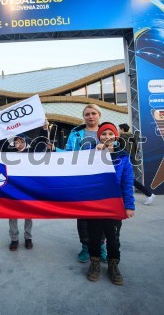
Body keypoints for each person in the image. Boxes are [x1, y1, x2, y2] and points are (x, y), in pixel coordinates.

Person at [48, 104, 107, 264]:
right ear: (84, 116)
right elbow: (69, 153)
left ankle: (101, 246)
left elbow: (117, 149)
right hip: (82, 179)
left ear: (99, 115)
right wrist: (55, 149)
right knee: (82, 215)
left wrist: (107, 146)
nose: (90, 116)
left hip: (102, 180)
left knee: (102, 214)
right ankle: (86, 247)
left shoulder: (107, 131)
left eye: (93, 113)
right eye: (87, 114)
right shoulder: (75, 133)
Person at [87, 122, 135, 285]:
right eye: (103, 134)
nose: (107, 137)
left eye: (110, 134)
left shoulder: (124, 156)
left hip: (114, 205)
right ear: (98, 136)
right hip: (94, 204)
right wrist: (95, 153)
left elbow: (127, 183)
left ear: (116, 136)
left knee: (113, 238)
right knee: (93, 238)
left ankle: (113, 266)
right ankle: (94, 264)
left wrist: (129, 206)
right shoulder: (90, 153)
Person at [7, 120, 50, 251]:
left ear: (26, 142)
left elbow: (42, 145)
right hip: (13, 189)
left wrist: (44, 129)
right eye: (16, 142)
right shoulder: (8, 154)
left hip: (28, 188)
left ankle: (28, 238)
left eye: (21, 141)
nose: (18, 144)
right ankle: (14, 239)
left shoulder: (32, 152)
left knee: (28, 214)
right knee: (12, 214)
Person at [118, 123, 156, 205]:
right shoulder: (132, 137)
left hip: (124, 161)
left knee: (129, 179)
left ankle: (149, 194)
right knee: (127, 179)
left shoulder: (123, 138)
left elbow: (124, 150)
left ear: (122, 129)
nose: (118, 130)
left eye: (119, 129)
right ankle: (149, 194)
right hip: (130, 159)